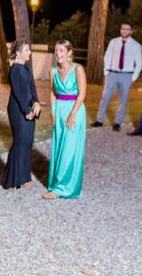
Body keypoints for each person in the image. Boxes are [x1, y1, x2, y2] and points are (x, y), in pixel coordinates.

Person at [43, 40, 87, 200]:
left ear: (69, 53)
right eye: (56, 51)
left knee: (70, 149)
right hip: (59, 111)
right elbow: (53, 92)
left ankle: (63, 188)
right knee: (59, 148)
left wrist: (73, 114)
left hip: (74, 110)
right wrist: (53, 112)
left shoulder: (78, 69)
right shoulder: (53, 71)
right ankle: (56, 183)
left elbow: (82, 93)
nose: (58, 54)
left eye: (62, 51)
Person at [2, 40, 41, 190]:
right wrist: (27, 110)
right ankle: (11, 180)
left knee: (27, 142)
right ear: (19, 53)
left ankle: (24, 177)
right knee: (20, 142)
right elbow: (18, 93)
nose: (29, 52)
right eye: (27, 50)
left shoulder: (25, 67)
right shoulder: (15, 69)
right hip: (18, 110)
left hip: (30, 108)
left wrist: (36, 102)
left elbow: (31, 86)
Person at [92, 23, 141, 132]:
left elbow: (139, 63)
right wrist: (106, 72)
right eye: (123, 28)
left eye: (127, 29)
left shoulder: (136, 46)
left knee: (123, 100)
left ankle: (118, 122)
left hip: (127, 75)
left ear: (131, 31)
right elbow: (107, 56)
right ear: (120, 30)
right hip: (112, 74)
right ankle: (99, 120)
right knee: (105, 97)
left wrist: (133, 78)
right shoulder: (113, 42)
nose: (124, 30)